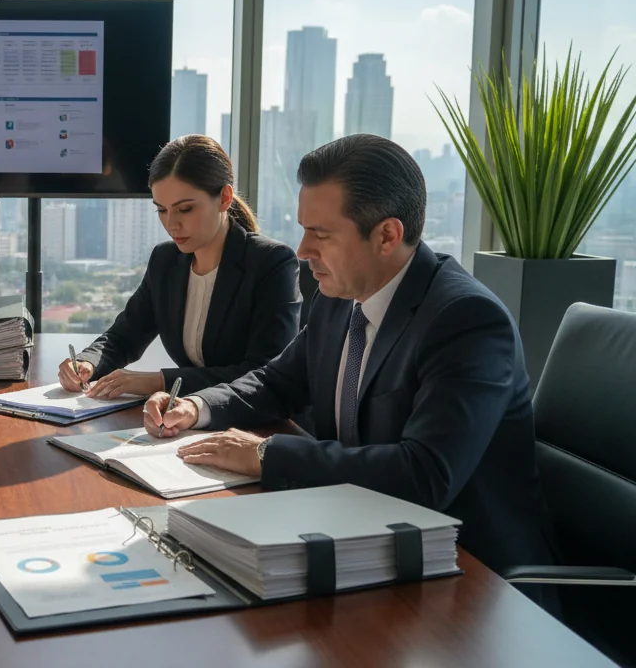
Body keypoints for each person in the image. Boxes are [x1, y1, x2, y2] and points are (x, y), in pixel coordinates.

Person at [143, 134, 553, 578]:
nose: (303, 251)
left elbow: (424, 475)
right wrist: (197, 406)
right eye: (303, 230)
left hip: (470, 575)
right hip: (364, 537)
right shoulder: (341, 295)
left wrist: (266, 454)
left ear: (386, 236)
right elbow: (278, 381)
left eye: (320, 235)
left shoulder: (466, 321)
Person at [60, 135, 301, 399]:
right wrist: (87, 362)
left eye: (184, 209)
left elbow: (263, 371)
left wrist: (160, 382)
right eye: (161, 210)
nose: (171, 224)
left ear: (224, 198)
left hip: (255, 424)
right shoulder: (165, 261)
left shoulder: (272, 263)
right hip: (184, 417)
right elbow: (124, 337)